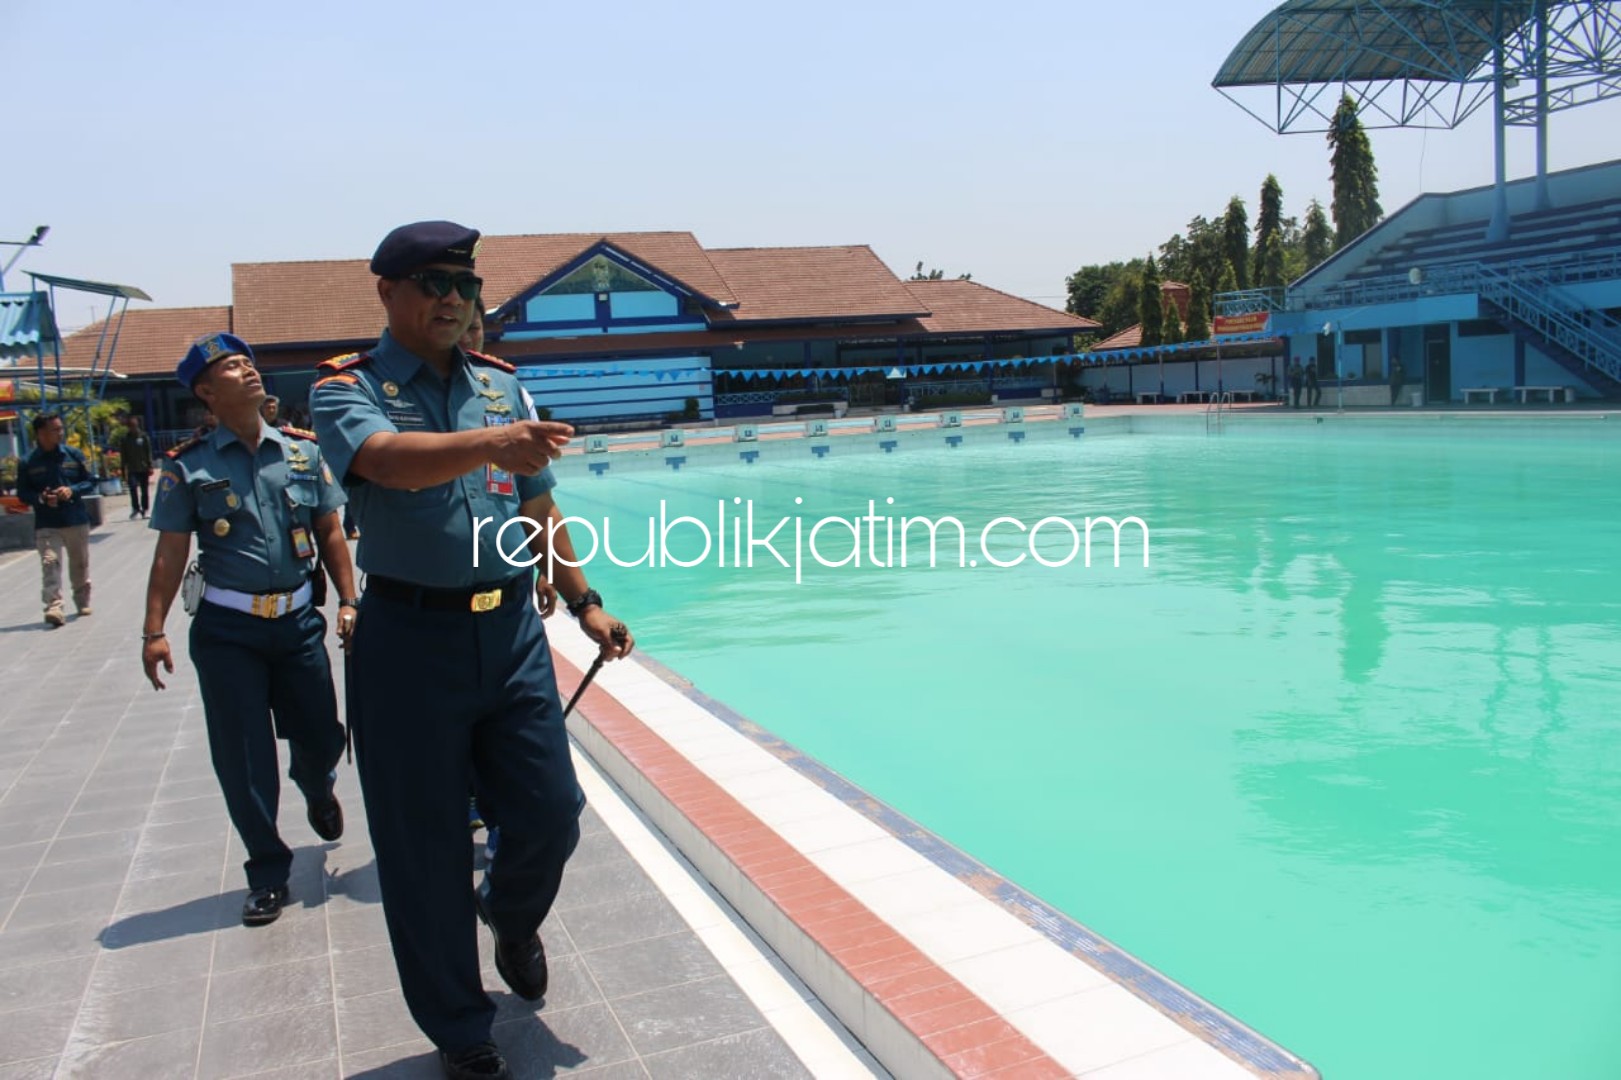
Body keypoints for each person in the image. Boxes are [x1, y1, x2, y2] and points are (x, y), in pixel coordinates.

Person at [311, 221, 634, 1080]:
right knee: (423, 850)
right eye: (430, 282)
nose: (452, 298)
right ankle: (460, 1027)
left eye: (463, 283)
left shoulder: (501, 386)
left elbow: (538, 507)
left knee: (549, 813)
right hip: (409, 640)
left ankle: (512, 914)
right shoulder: (353, 389)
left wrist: (584, 601)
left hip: (511, 635)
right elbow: (384, 462)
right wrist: (491, 444)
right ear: (386, 292)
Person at [141, 332, 355, 927]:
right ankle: (267, 871)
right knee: (242, 756)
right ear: (207, 392)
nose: (248, 371)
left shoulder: (302, 452)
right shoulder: (188, 466)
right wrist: (152, 630)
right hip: (228, 630)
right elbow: (170, 553)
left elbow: (330, 530)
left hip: (296, 624)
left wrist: (349, 599)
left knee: (323, 732)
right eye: (231, 368)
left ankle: (316, 783)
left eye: (248, 363)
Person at [456, 312, 559, 852]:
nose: (470, 336)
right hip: (435, 611)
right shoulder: (385, 395)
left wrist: (554, 579)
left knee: (548, 795)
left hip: (507, 601)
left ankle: (508, 882)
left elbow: (533, 500)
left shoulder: (506, 393)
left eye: (477, 328)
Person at [17, 413, 96, 627]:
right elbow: (23, 493)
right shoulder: (27, 462)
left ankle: (82, 600)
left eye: (61, 428)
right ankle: (54, 606)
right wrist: (41, 498)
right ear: (41, 433)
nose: (61, 433)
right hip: (47, 523)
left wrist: (72, 490)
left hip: (75, 519)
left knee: (80, 564)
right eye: (55, 429)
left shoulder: (74, 455)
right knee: (49, 562)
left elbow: (91, 481)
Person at [116, 414, 155, 519]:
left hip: (143, 467)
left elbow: (148, 452)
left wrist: (150, 465)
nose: (133, 428)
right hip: (132, 468)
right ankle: (135, 508)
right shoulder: (125, 439)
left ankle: (145, 509)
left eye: (135, 425)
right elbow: (123, 455)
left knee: (144, 490)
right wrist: (123, 470)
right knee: (133, 488)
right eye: (131, 426)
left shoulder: (143, 437)